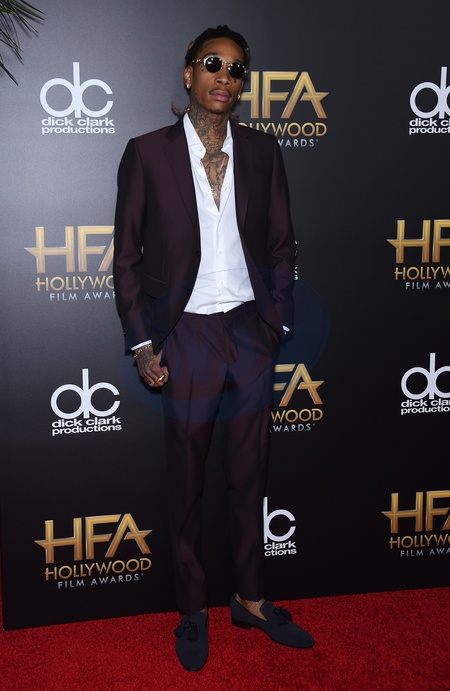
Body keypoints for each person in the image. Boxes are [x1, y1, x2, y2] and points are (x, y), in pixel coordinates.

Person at [113, 24, 314, 671]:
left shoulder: (262, 150)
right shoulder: (147, 153)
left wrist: (276, 324)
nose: (224, 77)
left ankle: (250, 597)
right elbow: (126, 258)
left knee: (251, 475)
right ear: (188, 73)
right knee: (188, 481)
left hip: (250, 332)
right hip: (187, 334)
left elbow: (281, 243)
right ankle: (192, 608)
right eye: (212, 64)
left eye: (236, 69)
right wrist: (144, 343)